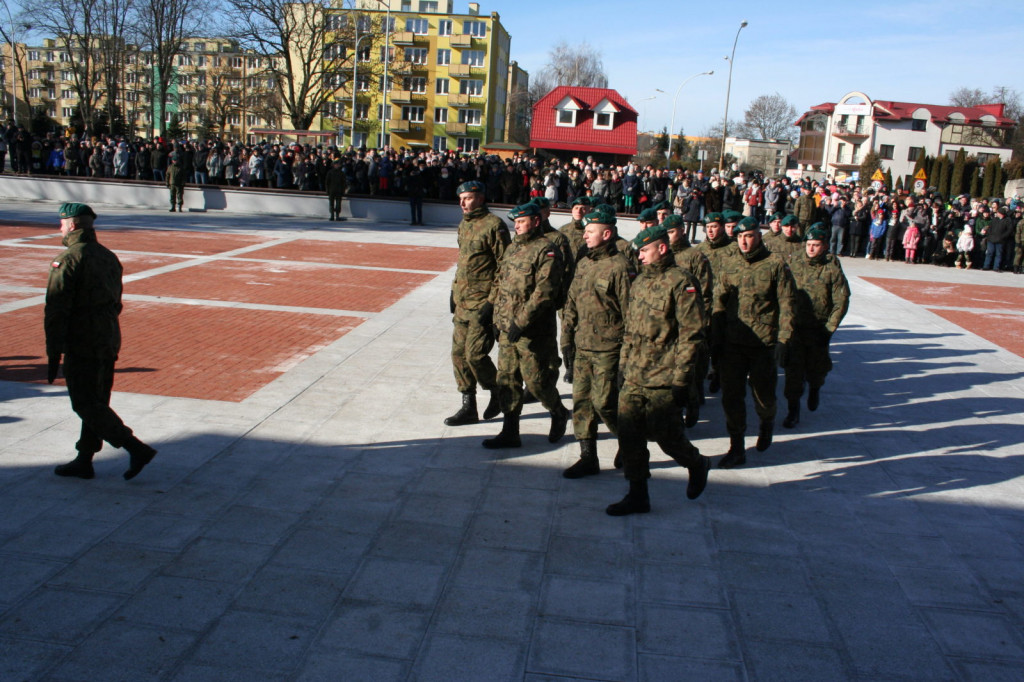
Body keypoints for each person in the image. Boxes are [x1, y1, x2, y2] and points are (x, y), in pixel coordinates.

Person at [45, 203, 158, 480]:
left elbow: (57, 309)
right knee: (97, 400)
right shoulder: (108, 257)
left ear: (72, 225)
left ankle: (135, 447)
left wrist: (53, 350)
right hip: (108, 336)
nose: (60, 227)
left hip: (82, 339)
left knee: (85, 402)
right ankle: (85, 459)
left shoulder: (70, 258)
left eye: (62, 223)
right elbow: (116, 302)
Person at [606, 224, 711, 516]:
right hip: (635, 375)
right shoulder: (639, 282)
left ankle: (696, 463)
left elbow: (692, 335)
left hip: (663, 377)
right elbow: (631, 331)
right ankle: (638, 495)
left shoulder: (682, 282)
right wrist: (623, 367)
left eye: (644, 251)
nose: (639, 257)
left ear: (661, 248)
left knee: (667, 438)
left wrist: (682, 380)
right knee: (629, 436)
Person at [483, 202, 569, 449]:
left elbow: (544, 292)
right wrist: (493, 315)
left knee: (536, 381)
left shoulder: (547, 251)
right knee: (507, 380)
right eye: (516, 222)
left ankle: (558, 411)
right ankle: (510, 432)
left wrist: (520, 323)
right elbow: (501, 282)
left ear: (536, 221)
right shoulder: (512, 249)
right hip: (507, 328)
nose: (517, 226)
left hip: (532, 330)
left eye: (521, 222)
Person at [712, 216, 796, 469]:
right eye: (739, 237)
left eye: (748, 236)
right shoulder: (729, 264)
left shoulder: (775, 265)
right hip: (733, 344)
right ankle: (736, 446)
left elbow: (787, 304)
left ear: (759, 236)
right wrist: (715, 338)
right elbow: (719, 301)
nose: (744, 242)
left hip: (764, 344)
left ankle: (766, 423)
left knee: (764, 396)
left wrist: (784, 340)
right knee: (732, 397)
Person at [561, 208, 633, 478]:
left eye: (590, 231)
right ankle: (588, 456)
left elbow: (630, 315)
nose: (585, 235)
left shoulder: (621, 267)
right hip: (583, 346)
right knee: (582, 402)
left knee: (604, 403)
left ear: (607, 233)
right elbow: (571, 303)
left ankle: (629, 443)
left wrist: (627, 358)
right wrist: (566, 339)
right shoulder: (584, 263)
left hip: (609, 348)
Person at [445, 181, 509, 426]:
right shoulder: (464, 224)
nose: (462, 203)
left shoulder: (495, 226)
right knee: (458, 355)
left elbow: (504, 267)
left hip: (483, 303)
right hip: (462, 301)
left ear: (481, 198)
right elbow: (464, 262)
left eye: (468, 198)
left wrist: (492, 303)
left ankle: (497, 391)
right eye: (460, 198)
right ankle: (468, 406)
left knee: (475, 355)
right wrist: (453, 291)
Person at [782, 224, 850, 429]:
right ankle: (793, 410)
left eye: (816, 245)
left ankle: (814, 388)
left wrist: (829, 328)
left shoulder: (831, 269)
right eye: (809, 245)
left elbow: (841, 301)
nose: (811, 249)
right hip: (795, 328)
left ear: (825, 246)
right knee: (793, 373)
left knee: (816, 369)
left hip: (818, 329)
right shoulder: (794, 263)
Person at [663, 214, 712, 427]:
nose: (668, 237)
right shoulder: (661, 256)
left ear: (682, 231)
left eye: (672, 232)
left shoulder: (695, 256)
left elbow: (706, 293)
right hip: (665, 324)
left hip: (688, 323)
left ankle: (692, 402)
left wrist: (700, 324)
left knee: (687, 370)